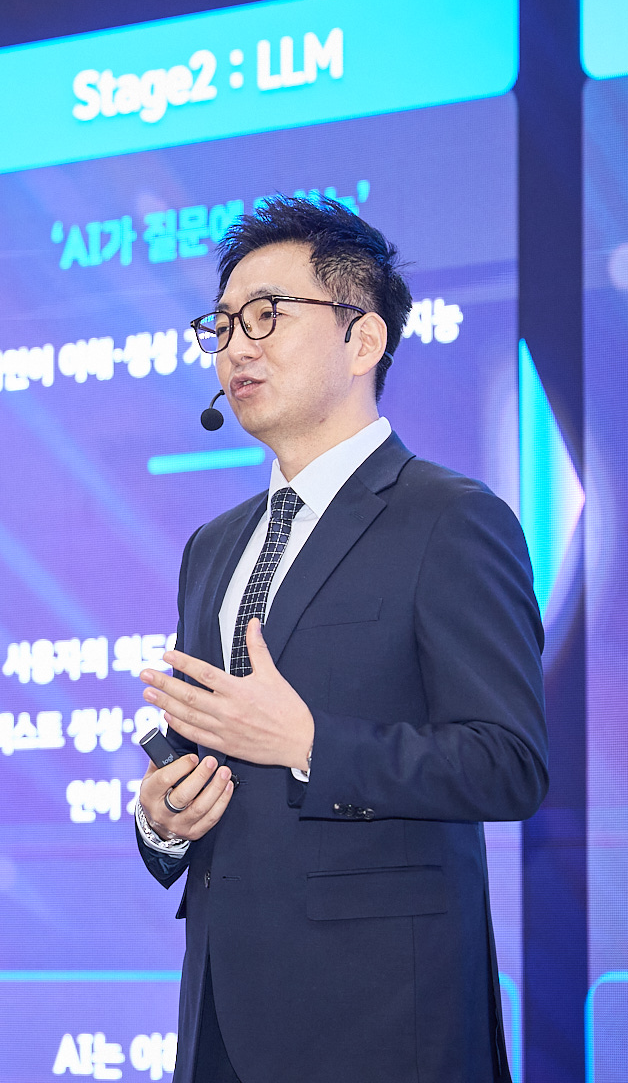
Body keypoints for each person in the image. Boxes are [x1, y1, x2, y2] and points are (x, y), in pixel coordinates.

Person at [133, 195, 548, 1083]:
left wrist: (311, 744)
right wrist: (163, 820)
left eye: (267, 316)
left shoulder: (451, 519)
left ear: (363, 340)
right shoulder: (214, 546)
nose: (236, 347)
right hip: (220, 1019)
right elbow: (212, 756)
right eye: (223, 324)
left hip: (383, 1024)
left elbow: (507, 762)